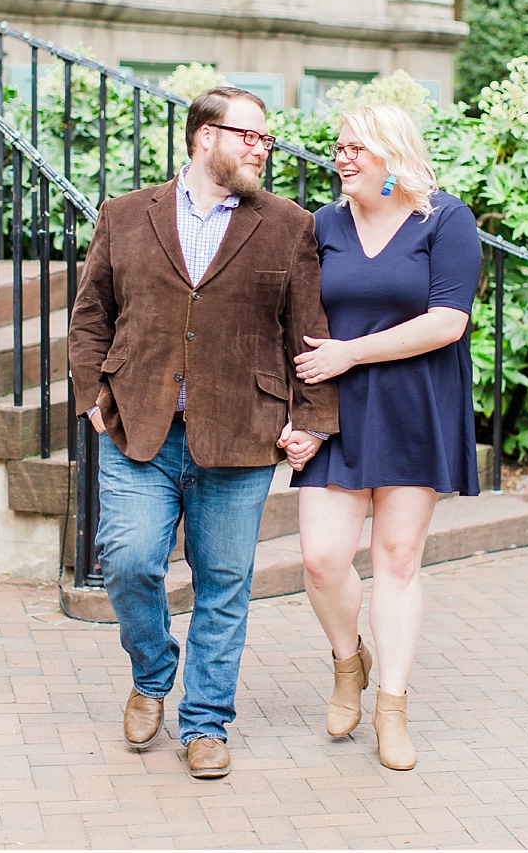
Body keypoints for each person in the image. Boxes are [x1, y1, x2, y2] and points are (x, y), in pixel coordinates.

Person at [67, 85, 338, 779]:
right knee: (128, 563)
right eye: (249, 135)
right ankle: (153, 670)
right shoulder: (126, 215)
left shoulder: (288, 224)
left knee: (224, 584)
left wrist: (310, 418)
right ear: (203, 136)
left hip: (243, 432)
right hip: (138, 428)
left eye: (265, 139)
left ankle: (207, 721)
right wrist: (92, 392)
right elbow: (91, 310)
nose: (260, 148)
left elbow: (307, 331)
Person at [287, 102, 482, 770]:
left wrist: (351, 352)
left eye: (355, 148)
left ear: (392, 156)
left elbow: (446, 322)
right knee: (321, 558)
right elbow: (297, 322)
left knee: (397, 558)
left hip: (413, 407)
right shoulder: (322, 226)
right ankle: (349, 662)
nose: (341, 157)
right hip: (337, 410)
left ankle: (391, 707)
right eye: (338, 148)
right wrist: (300, 408)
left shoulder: (444, 220)